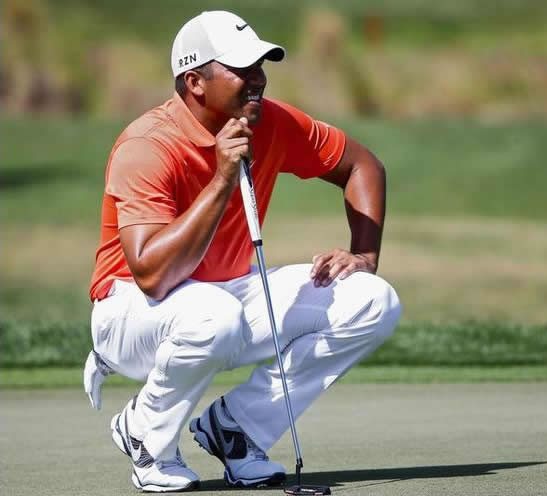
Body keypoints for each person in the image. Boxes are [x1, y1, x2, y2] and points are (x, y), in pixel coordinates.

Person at [83, 10, 401, 492]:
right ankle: (146, 434)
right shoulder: (147, 145)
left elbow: (363, 166)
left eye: (260, 66)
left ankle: (237, 429)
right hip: (130, 312)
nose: (257, 79)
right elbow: (151, 274)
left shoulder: (271, 121)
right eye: (240, 68)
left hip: (224, 296)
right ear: (195, 81)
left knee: (372, 300)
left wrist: (364, 256)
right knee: (213, 315)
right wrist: (222, 178)